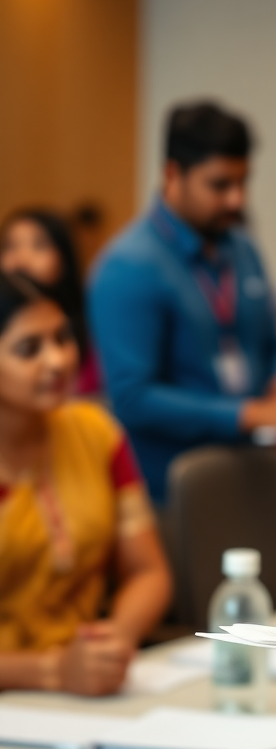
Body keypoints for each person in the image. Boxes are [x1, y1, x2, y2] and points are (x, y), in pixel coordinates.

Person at [88, 101, 276, 505]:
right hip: (175, 493)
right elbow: (132, 397)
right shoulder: (126, 267)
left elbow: (273, 342)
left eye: (243, 182)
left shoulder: (242, 249)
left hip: (252, 473)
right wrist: (246, 414)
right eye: (220, 185)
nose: (236, 199)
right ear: (172, 174)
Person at [0, 272, 172, 697]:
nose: (57, 360)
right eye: (29, 349)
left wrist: (109, 645)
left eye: (63, 338)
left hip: (89, 693)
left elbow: (149, 571)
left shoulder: (95, 433)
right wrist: (52, 671)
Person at [1, 208, 101, 394]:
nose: (21, 259)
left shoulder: (94, 323)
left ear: (64, 257)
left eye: (39, 245)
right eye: (10, 246)